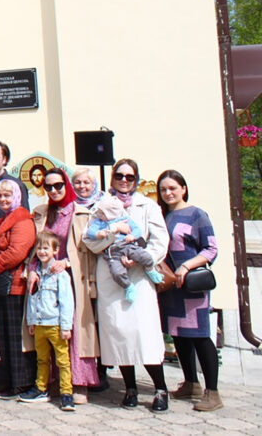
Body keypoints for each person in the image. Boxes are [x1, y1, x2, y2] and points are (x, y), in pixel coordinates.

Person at [83, 159, 170, 412]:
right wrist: (112, 236)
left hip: (139, 277)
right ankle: (130, 388)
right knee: (118, 332)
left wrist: (142, 258)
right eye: (119, 176)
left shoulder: (148, 205)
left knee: (145, 333)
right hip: (111, 274)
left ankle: (160, 388)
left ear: (136, 180)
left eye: (129, 177)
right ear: (112, 178)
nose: (124, 180)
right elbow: (90, 240)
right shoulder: (100, 206)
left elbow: (160, 239)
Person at [27, 168, 99, 402]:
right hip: (45, 278)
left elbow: (86, 249)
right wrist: (32, 270)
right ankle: (52, 381)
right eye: (48, 186)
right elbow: (35, 246)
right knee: (49, 330)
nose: (54, 190)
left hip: (71, 277)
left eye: (58, 185)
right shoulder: (42, 212)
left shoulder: (80, 212)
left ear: (66, 185)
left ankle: (78, 383)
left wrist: (66, 262)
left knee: (73, 329)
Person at [157, 170, 222, 412]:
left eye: (173, 188)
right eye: (164, 189)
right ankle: (191, 383)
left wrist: (187, 266)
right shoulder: (162, 215)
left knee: (200, 335)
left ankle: (212, 392)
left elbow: (211, 249)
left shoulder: (197, 215)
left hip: (192, 285)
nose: (168, 193)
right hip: (171, 284)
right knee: (179, 334)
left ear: (183, 189)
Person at [0, 178, 36, 400]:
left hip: (14, 285)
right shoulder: (1, 221)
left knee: (15, 337)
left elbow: (17, 252)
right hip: (0, 284)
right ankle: (4, 381)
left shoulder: (22, 219)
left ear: (17, 196)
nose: (3, 199)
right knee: (1, 335)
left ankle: (20, 383)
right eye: (0, 196)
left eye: (7, 195)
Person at [20, 231, 76, 411]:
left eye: (46, 248)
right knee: (42, 359)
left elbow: (66, 301)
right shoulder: (35, 274)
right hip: (39, 324)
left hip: (55, 324)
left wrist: (66, 326)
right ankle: (41, 388)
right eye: (39, 248)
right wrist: (31, 322)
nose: (42, 252)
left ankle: (66, 393)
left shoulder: (61, 275)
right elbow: (32, 299)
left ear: (55, 250)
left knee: (62, 360)